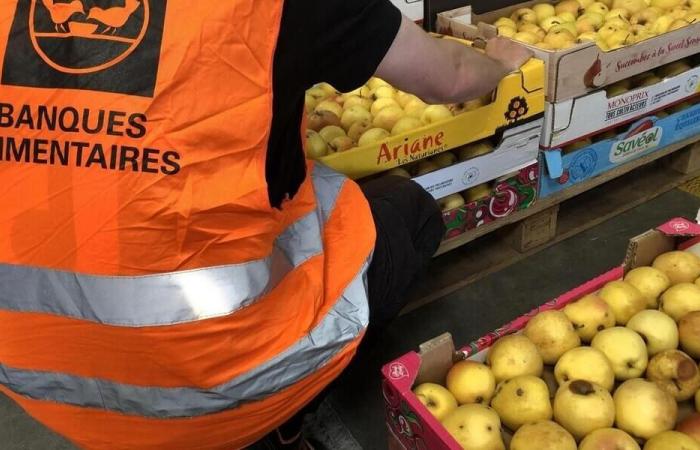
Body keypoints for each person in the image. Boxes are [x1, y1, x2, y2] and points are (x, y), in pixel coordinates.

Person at [0, 0, 531, 449]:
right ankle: (282, 418)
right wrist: (503, 63)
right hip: (210, 389)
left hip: (39, 383)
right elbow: (450, 78)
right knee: (408, 209)